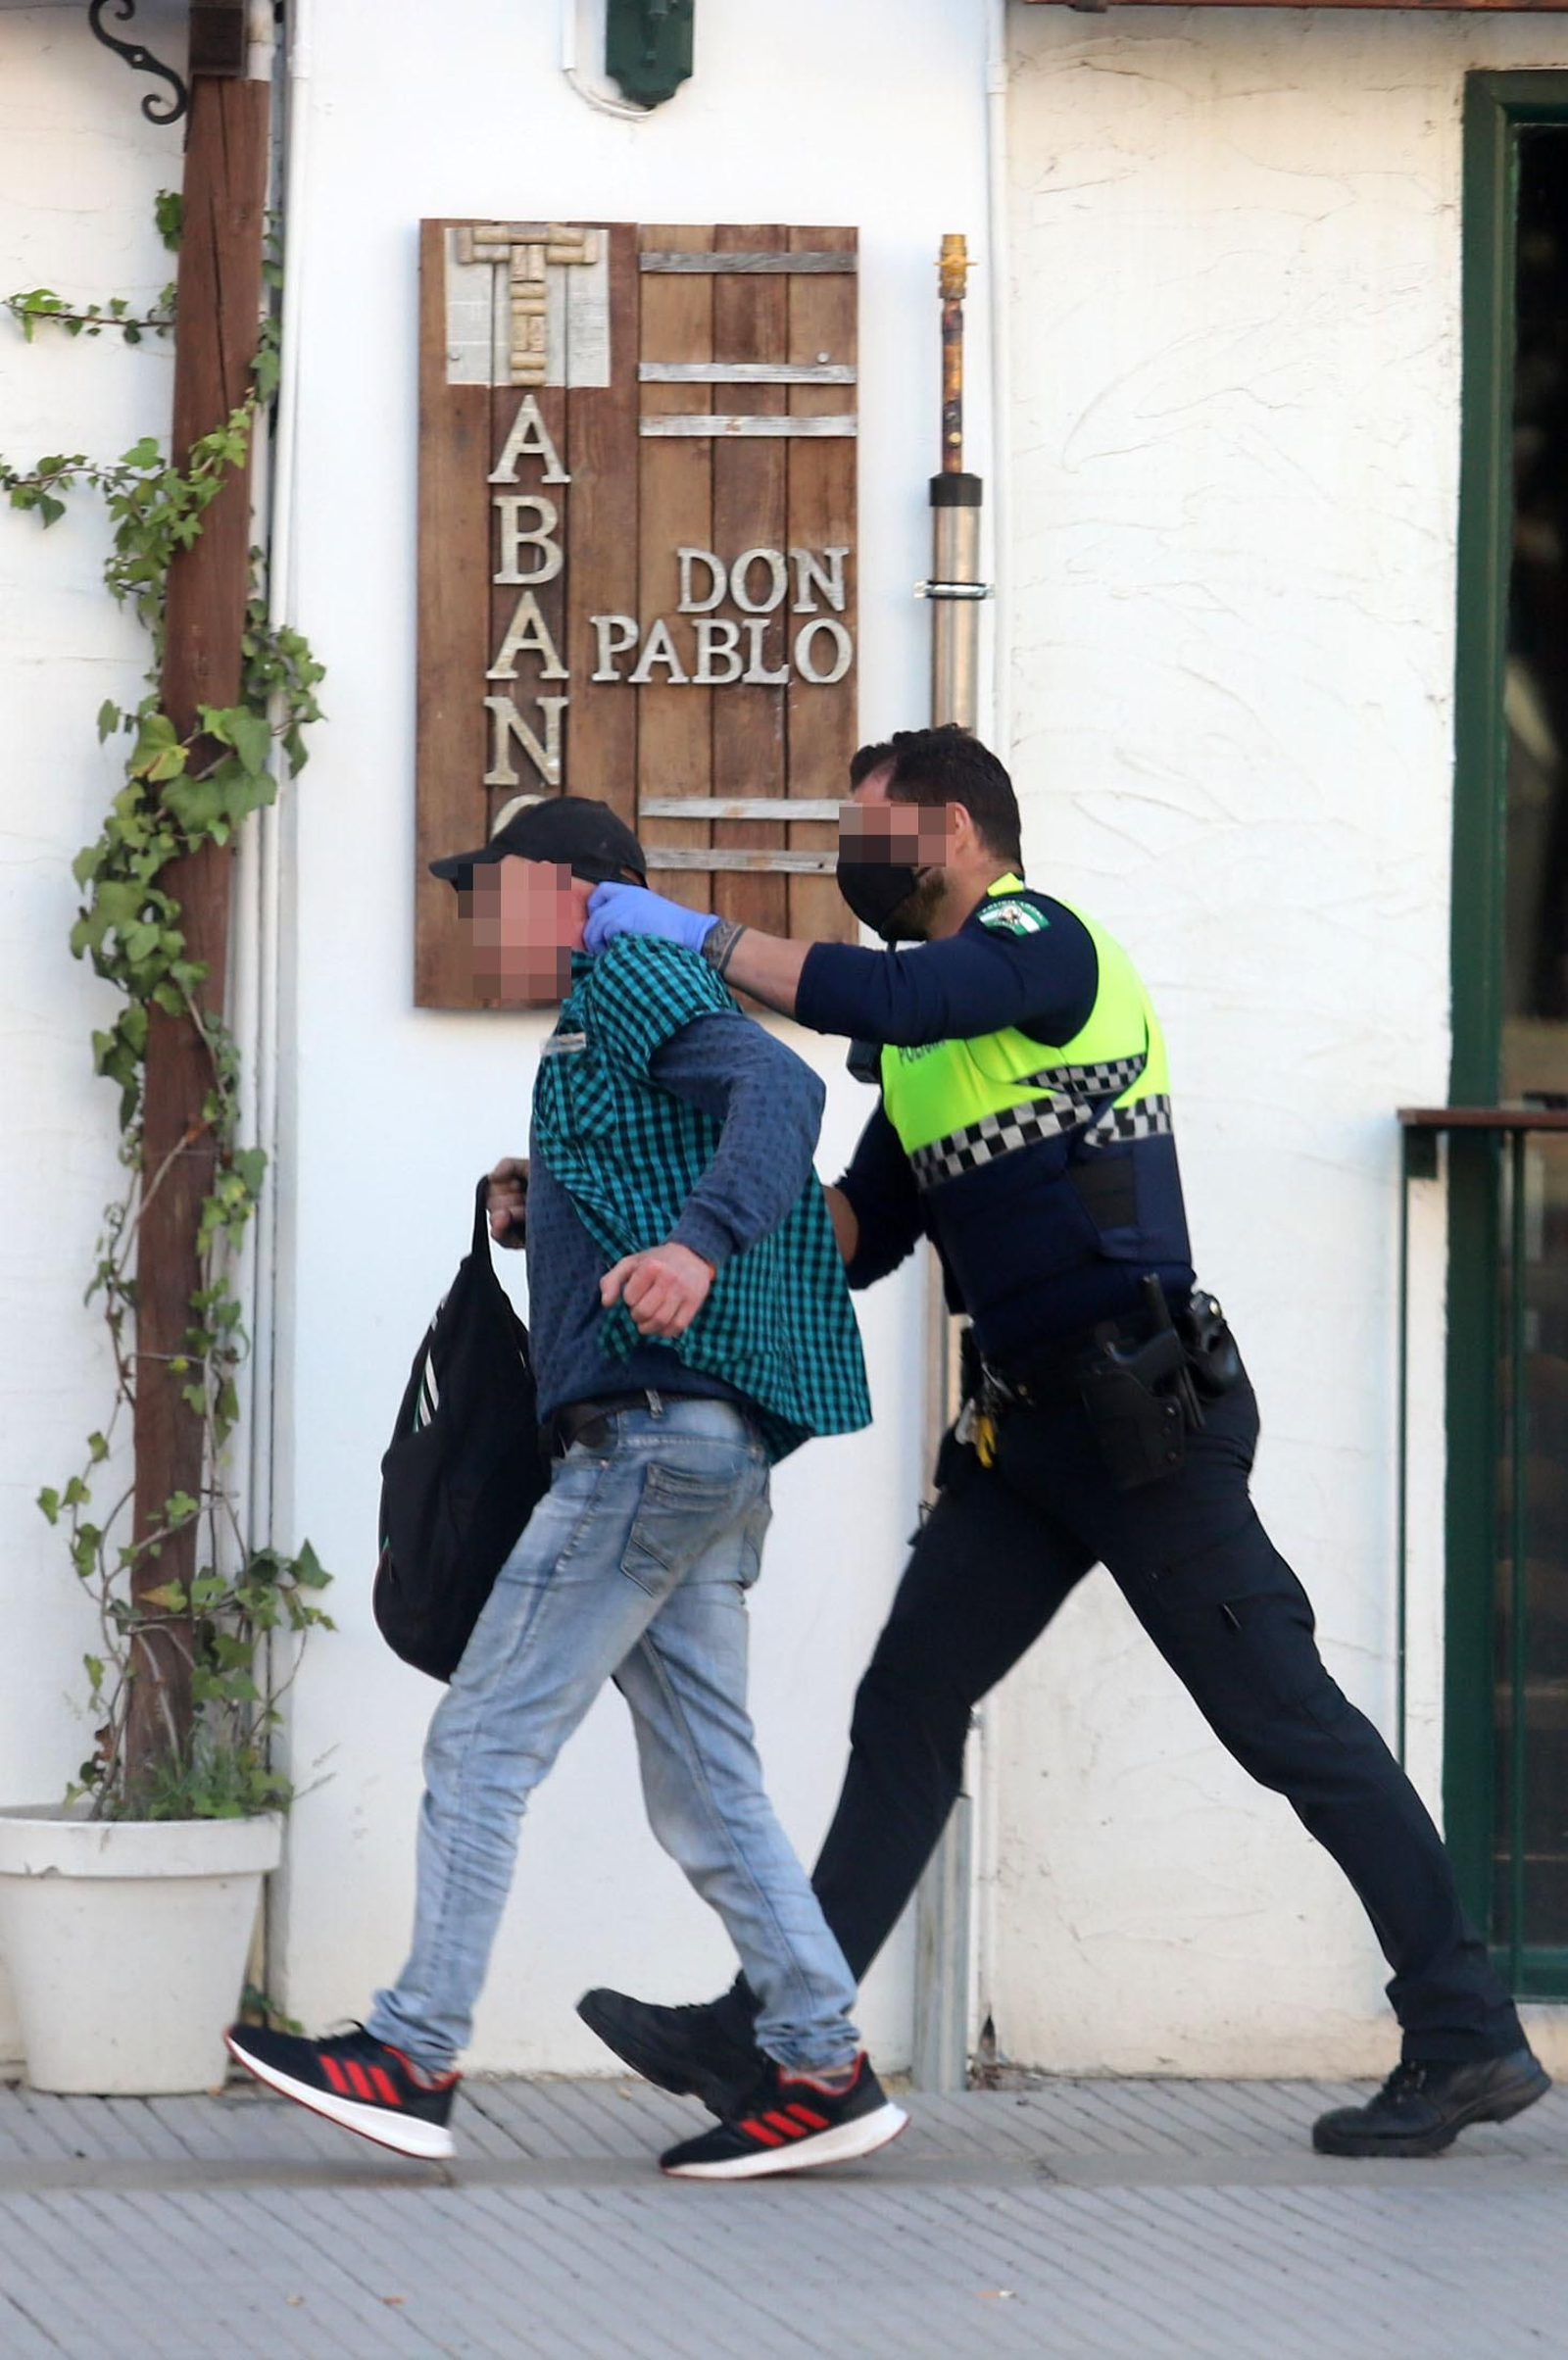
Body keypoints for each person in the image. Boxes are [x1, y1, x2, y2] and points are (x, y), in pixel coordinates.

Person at [575, 727, 1551, 2162]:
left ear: (956, 830)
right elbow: (856, 1234)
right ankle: (778, 2037)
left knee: (1287, 1724)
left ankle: (1464, 2030)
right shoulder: (926, 1057)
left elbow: (891, 994)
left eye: (873, 831)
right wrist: (648, 1216)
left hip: (1146, 1424)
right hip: (1025, 1438)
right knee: (906, 1705)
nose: (854, 858)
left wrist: (698, 935)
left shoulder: (1043, 948)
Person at [225, 795, 905, 2180]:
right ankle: (823, 2065)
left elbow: (782, 1096)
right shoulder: (606, 1014)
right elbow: (674, 1137)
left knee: (483, 1740)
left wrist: (697, 1247)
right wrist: (554, 1199)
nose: (479, 914)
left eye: (494, 886)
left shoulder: (634, 971)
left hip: (648, 1444)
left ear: (571, 886)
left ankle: (412, 2053)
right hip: (702, 1452)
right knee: (709, 1783)